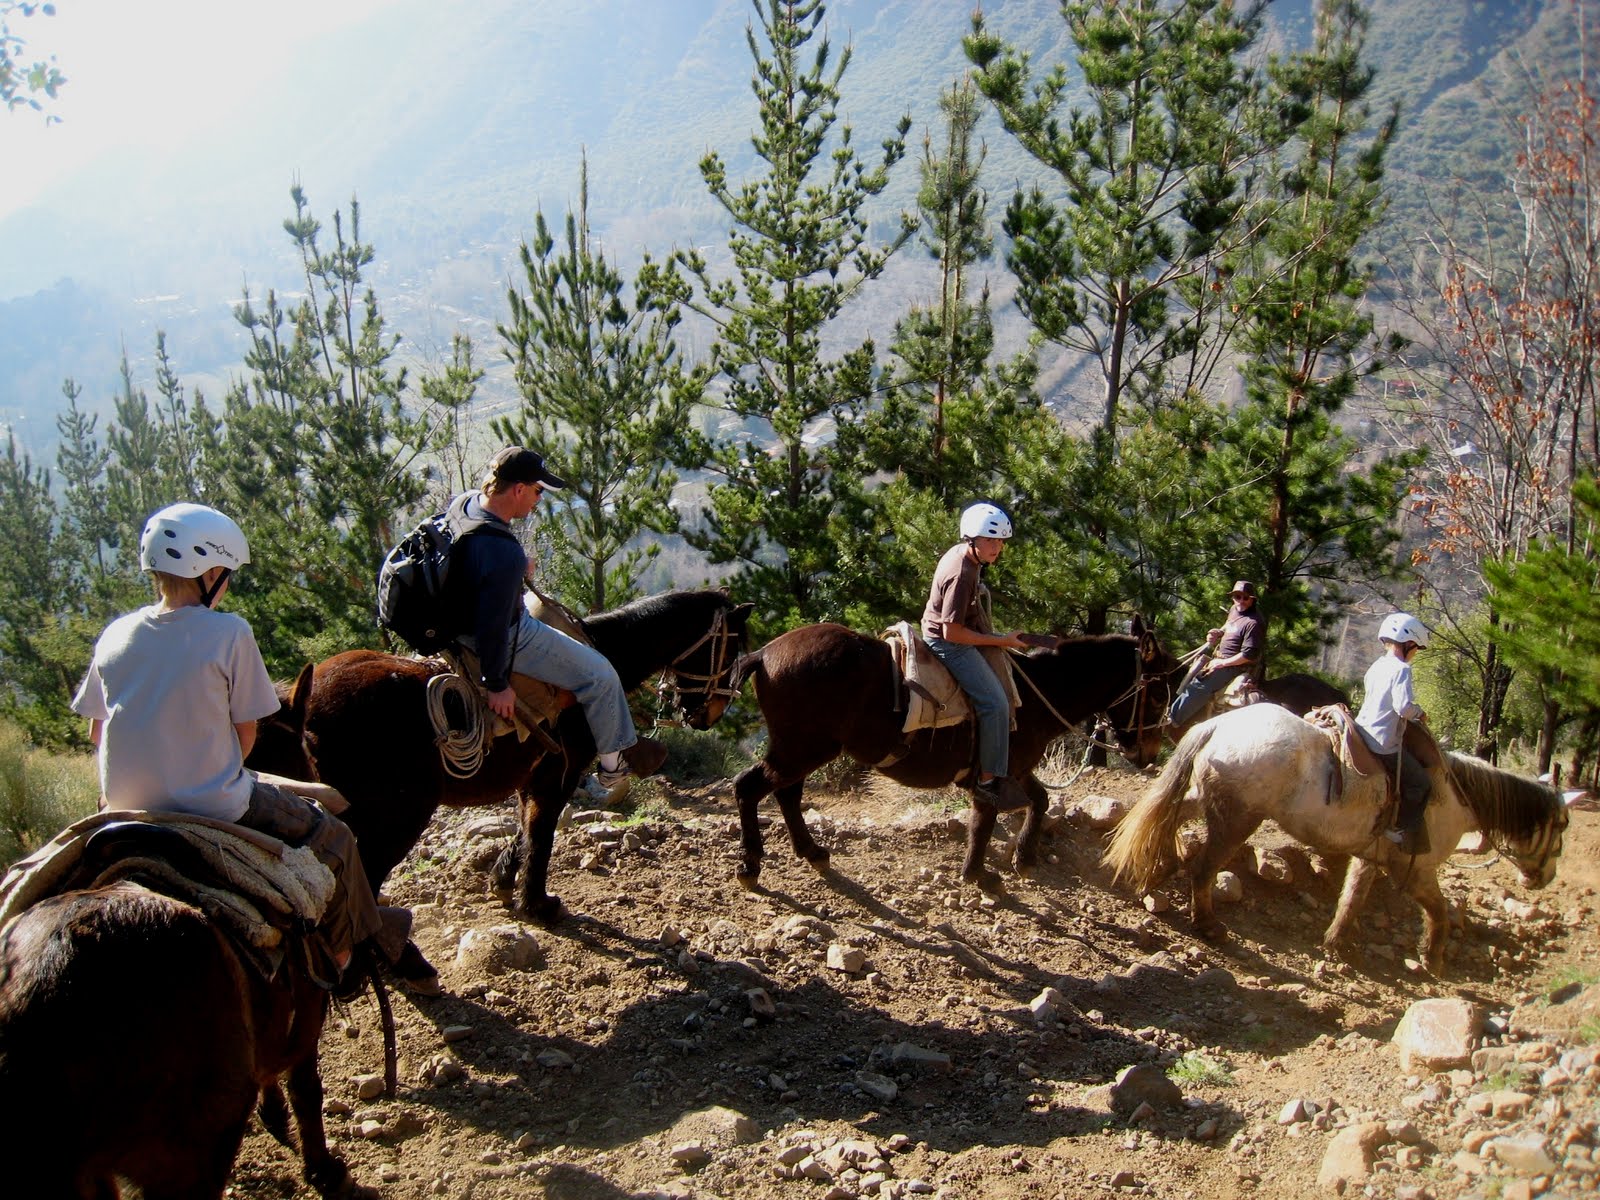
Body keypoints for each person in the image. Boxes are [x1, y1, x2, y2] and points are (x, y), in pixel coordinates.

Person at [70, 502, 396, 984]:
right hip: (215, 806)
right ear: (210, 573)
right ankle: (344, 959)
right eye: (226, 575)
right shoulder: (230, 632)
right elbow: (247, 735)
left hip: (122, 809)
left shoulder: (114, 633)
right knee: (336, 839)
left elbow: (97, 733)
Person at [443, 446, 667, 791]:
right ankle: (614, 764)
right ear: (519, 489)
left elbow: (477, 565)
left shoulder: (466, 504)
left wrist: (514, 570)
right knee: (601, 674)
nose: (539, 500)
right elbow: (494, 625)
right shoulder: (503, 552)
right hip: (505, 633)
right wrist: (497, 684)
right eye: (538, 491)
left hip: (457, 619)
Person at [921, 502, 1031, 812]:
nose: (997, 547)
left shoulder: (966, 556)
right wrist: (1000, 641)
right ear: (971, 538)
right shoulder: (962, 573)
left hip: (951, 631)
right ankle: (988, 782)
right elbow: (951, 633)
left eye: (1000, 541)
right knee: (995, 704)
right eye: (990, 540)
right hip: (947, 643)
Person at [1354, 612, 1433, 855]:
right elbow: (1403, 708)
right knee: (1421, 783)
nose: (1415, 653)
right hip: (1382, 741)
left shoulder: (1377, 665)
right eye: (1416, 648)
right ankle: (1398, 829)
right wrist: (1420, 713)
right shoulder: (1401, 669)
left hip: (1361, 730)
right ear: (1408, 643)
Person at [1166, 580, 1267, 728]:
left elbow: (1248, 655)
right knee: (1185, 675)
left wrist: (1223, 663)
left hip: (1235, 666)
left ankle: (1172, 721)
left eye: (1245, 598)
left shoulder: (1254, 622)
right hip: (1219, 659)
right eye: (1237, 596)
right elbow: (1228, 625)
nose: (1241, 601)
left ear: (1252, 599)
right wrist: (1218, 633)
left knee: (1199, 686)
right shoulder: (1235, 610)